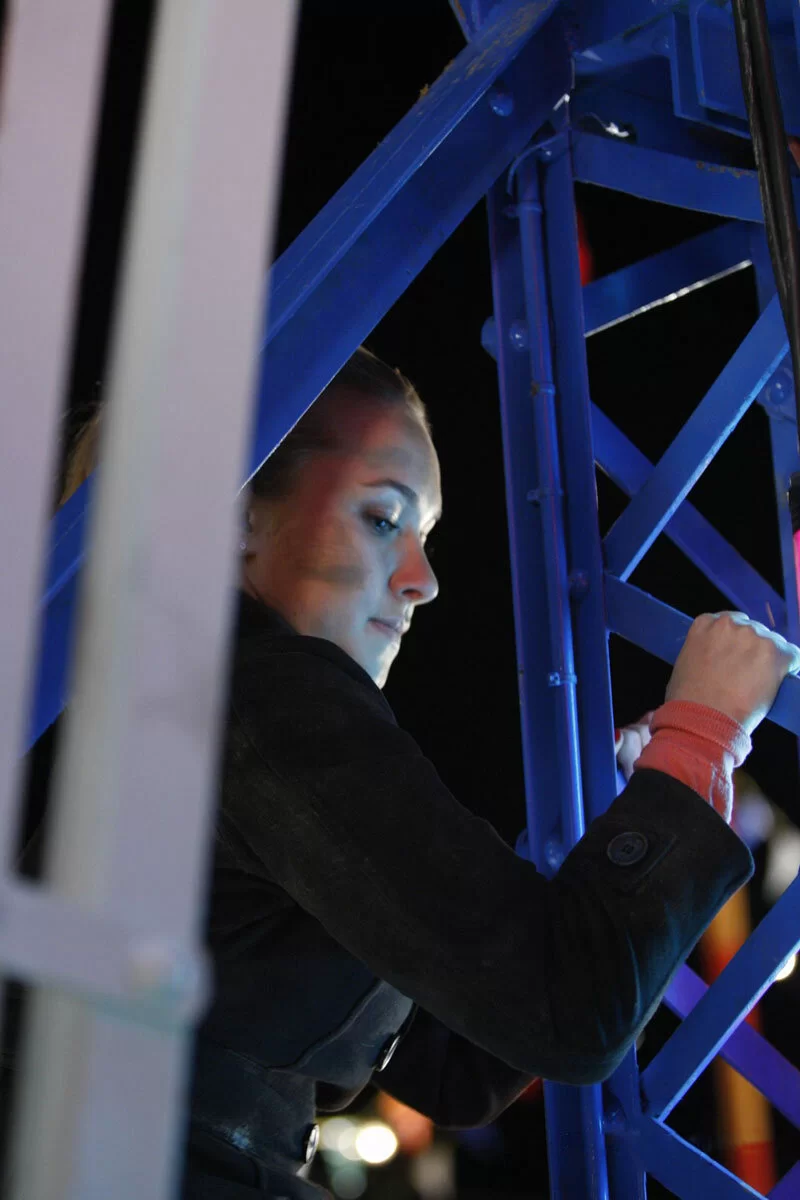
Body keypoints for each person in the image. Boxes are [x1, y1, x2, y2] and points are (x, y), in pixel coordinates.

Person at [5, 347, 798, 1200]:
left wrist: (638, 812)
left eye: (426, 535)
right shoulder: (268, 697)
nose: (423, 581)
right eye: (383, 519)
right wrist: (701, 734)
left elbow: (459, 1062)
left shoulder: (184, 716)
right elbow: (567, 1015)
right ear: (236, 517)